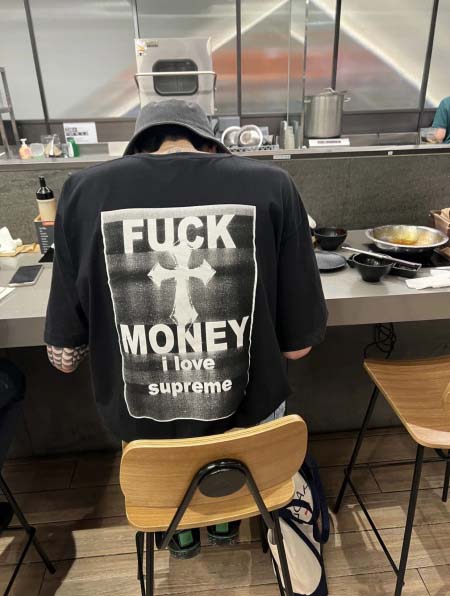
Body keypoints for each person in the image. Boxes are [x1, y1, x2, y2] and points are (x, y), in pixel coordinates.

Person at [45, 99, 327, 553]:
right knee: (262, 400)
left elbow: (63, 358)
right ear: (211, 145)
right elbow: (298, 348)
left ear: (140, 148)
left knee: (149, 429)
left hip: (149, 446)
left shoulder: (82, 191)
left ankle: (176, 522)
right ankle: (226, 514)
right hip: (247, 436)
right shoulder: (273, 184)